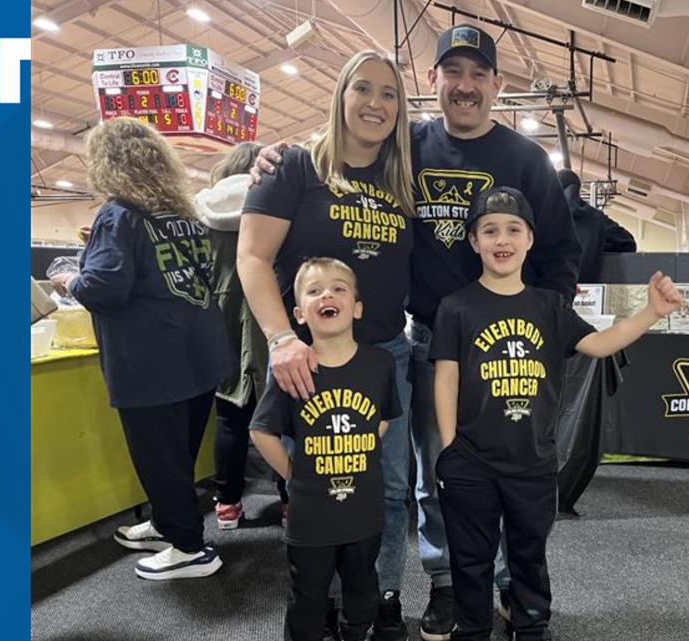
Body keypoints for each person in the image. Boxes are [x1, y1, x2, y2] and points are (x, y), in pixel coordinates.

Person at [253, 26, 581, 640]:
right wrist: (270, 155)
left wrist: (546, 320)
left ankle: (509, 583)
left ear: (497, 84)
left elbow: (561, 251)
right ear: (432, 81)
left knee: (514, 467)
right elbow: (340, 146)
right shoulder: (406, 144)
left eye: (478, 74)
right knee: (439, 471)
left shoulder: (526, 159)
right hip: (432, 339)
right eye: (452, 72)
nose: (465, 85)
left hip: (509, 346)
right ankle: (448, 582)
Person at [430, 187, 682, 641]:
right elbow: (446, 379)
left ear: (530, 239)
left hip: (533, 461)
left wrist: (651, 313)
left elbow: (600, 344)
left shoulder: (549, 306)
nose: (502, 239)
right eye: (490, 230)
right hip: (470, 461)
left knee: (529, 554)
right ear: (474, 241)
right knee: (470, 558)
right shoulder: (456, 307)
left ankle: (531, 624)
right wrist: (448, 448)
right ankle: (472, 629)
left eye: (513, 229)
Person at [49, 117, 232, 580]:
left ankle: (189, 548)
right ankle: (169, 523)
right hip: (199, 354)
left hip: (151, 362)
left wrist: (68, 278)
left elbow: (104, 288)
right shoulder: (185, 215)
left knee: (159, 457)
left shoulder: (119, 214)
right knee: (179, 454)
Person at [250, 258, 400, 641]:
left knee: (362, 594)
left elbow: (384, 416)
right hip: (311, 519)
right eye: (314, 291)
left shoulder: (380, 363)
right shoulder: (293, 370)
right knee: (307, 600)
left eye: (338, 289)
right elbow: (261, 431)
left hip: (363, 512)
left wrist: (362, 446)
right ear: (299, 314)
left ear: (357, 307)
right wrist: (293, 472)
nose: (327, 295)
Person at [194, 142, 266, 530]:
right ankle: (291, 501)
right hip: (269, 312)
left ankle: (227, 504)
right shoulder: (271, 200)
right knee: (284, 415)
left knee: (229, 416)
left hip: (221, 318)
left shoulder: (201, 208)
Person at [556, 168, 637, 282]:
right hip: (586, 290)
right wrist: (598, 247)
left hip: (550, 289)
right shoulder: (595, 217)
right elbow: (628, 243)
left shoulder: (545, 218)